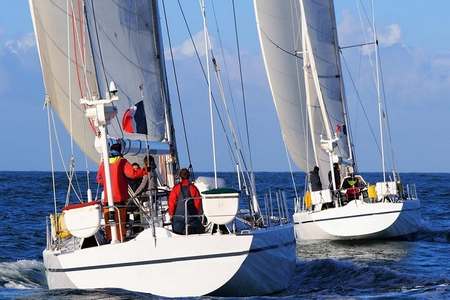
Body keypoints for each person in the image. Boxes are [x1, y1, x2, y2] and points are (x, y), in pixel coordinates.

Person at [97, 143, 145, 242]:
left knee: (109, 222)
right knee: (120, 221)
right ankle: (120, 239)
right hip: (119, 197)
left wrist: (107, 182)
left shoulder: (104, 163)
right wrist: (145, 171)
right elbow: (132, 174)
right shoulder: (122, 161)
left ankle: (110, 238)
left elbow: (99, 179)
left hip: (107, 198)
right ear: (120, 151)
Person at [168, 168, 203, 235]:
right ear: (189, 176)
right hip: (192, 220)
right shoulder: (193, 188)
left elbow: (171, 203)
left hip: (178, 221)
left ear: (180, 177)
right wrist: (198, 214)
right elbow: (198, 203)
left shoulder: (175, 188)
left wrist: (171, 215)